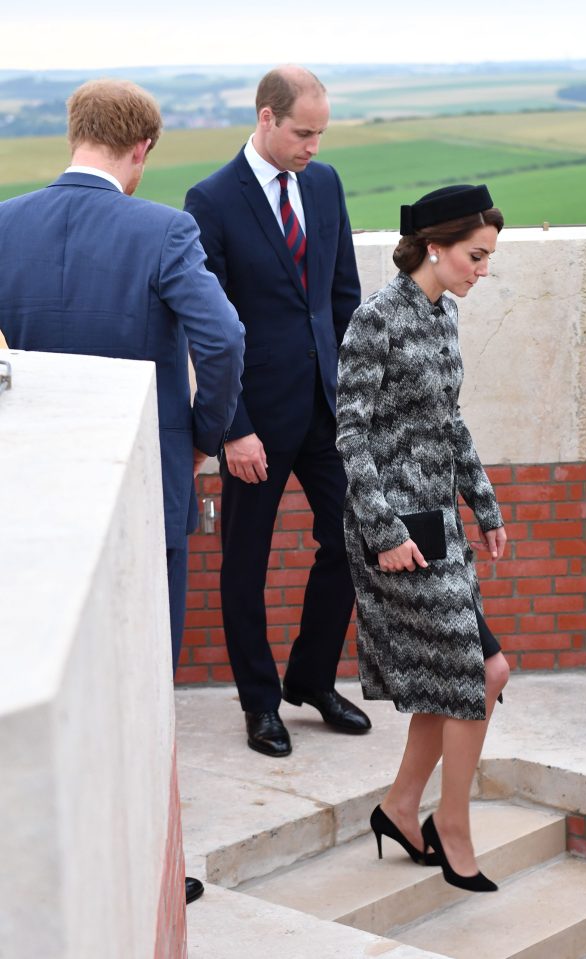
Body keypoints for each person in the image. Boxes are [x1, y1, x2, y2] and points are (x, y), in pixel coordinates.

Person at [0, 79, 245, 906]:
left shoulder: (5, 221)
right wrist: (206, 433)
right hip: (147, 480)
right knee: (144, 676)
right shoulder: (164, 228)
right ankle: (148, 866)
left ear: (75, 134)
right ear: (142, 149)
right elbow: (223, 335)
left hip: (34, 487)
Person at [185, 65, 371, 758]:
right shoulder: (210, 200)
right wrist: (231, 426)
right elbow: (208, 329)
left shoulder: (323, 184)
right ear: (265, 118)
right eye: (301, 132)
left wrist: (355, 396)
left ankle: (312, 680)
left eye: (320, 133)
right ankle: (259, 704)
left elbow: (341, 296)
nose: (312, 147)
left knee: (352, 540)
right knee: (245, 566)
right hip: (253, 420)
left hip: (326, 409)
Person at [336, 184, 510, 893]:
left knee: (458, 678)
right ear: (434, 247)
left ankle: (401, 806)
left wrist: (485, 504)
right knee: (478, 674)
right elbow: (348, 433)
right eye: (476, 254)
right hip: (393, 533)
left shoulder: (445, 316)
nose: (482, 268)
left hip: (440, 524)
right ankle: (452, 825)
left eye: (488, 256)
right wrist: (381, 530)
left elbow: (449, 420)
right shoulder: (375, 318)